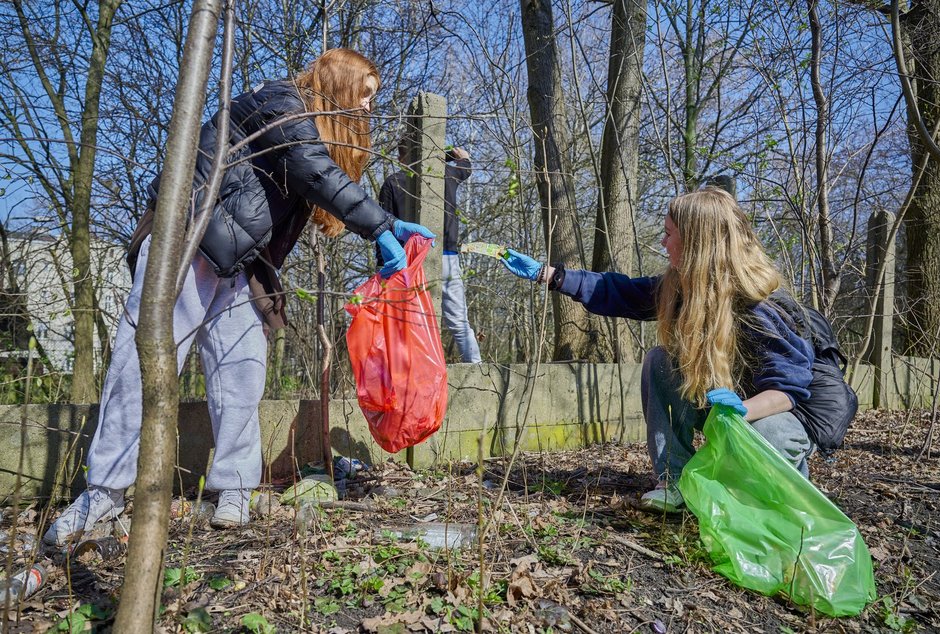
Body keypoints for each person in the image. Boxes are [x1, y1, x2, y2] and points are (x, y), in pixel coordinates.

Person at [43, 48, 434, 545]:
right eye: (364, 94)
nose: (366, 109)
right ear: (338, 81)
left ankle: (234, 489)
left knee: (241, 373)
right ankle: (103, 491)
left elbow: (313, 181)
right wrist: (383, 224)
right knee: (138, 366)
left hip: (242, 263)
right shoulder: (279, 103)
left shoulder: (310, 130)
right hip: (186, 239)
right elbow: (313, 168)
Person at [497, 187, 816, 513]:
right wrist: (548, 275)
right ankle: (674, 480)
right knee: (661, 361)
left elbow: (787, 393)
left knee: (772, 435)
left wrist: (743, 410)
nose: (663, 243)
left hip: (769, 416)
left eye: (668, 234)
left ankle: (782, 500)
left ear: (695, 241)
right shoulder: (682, 286)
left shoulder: (760, 304)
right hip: (724, 409)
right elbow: (620, 292)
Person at [377, 139, 482, 363]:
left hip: (408, 260)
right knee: (458, 321)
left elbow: (382, 228)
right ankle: (474, 368)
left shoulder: (393, 182)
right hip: (446, 258)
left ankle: (410, 372)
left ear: (401, 157)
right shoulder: (448, 175)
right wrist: (451, 155)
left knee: (409, 322)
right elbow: (466, 164)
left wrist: (383, 268)